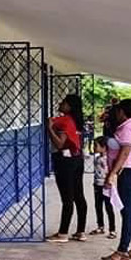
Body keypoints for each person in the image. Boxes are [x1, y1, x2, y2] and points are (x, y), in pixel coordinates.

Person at [101, 99, 131, 260]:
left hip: (128, 172)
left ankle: (122, 251)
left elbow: (125, 152)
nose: (116, 113)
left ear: (123, 112)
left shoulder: (127, 128)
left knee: (127, 212)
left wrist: (113, 173)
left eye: (118, 111)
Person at [46, 94, 87, 243]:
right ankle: (81, 231)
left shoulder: (64, 121)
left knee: (67, 197)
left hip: (65, 161)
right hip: (77, 159)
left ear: (69, 106)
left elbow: (59, 144)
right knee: (79, 195)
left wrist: (49, 128)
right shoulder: (77, 121)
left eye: (63, 102)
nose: (60, 103)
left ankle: (63, 233)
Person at [89, 136, 116, 239]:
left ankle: (112, 230)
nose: (94, 147)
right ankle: (100, 226)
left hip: (106, 185)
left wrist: (109, 182)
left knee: (109, 207)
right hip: (97, 185)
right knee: (98, 206)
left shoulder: (108, 159)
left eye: (96, 146)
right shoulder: (97, 158)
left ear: (104, 147)